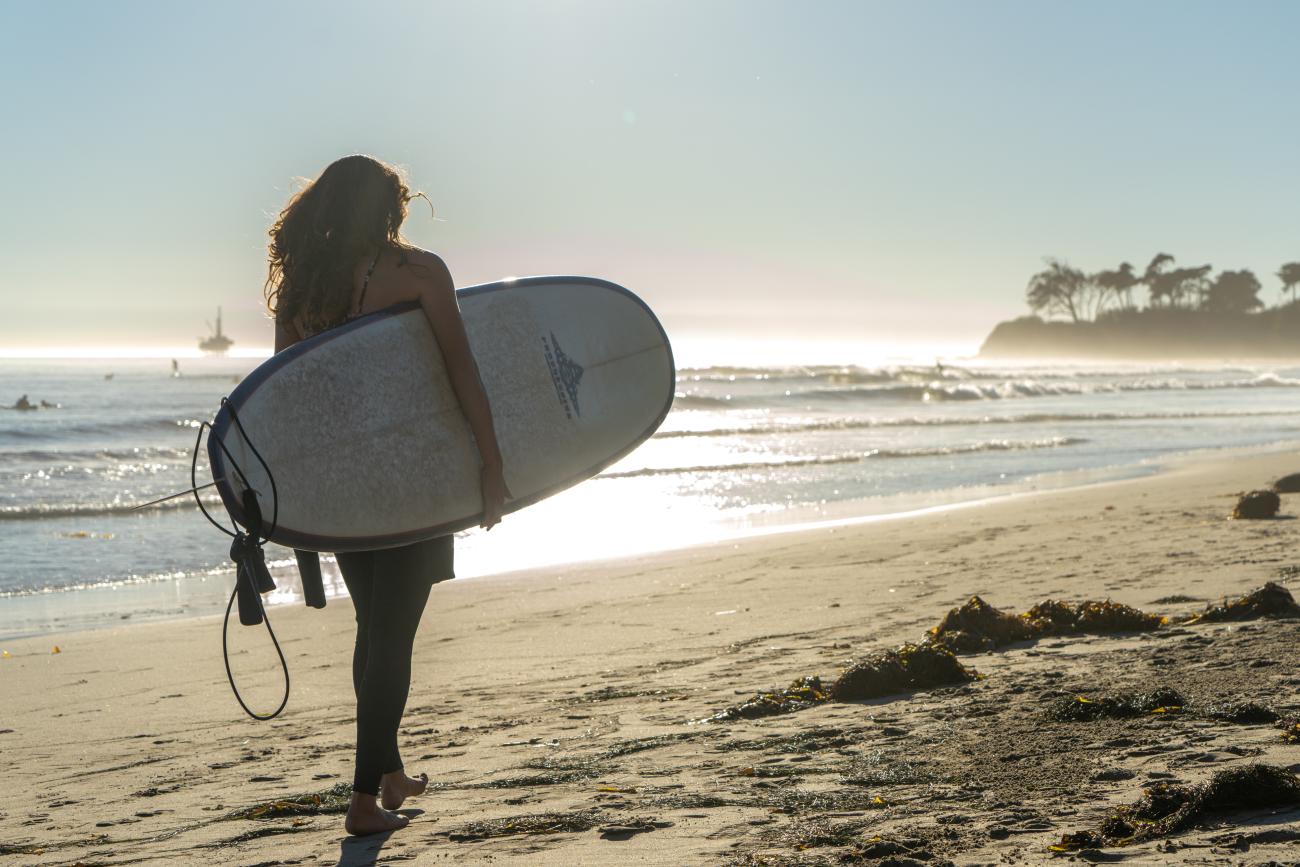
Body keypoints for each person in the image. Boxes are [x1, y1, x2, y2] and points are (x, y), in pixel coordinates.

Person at [264, 154, 510, 836]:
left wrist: (300, 491)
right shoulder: (419, 272)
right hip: (418, 479)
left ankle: (391, 770)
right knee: (393, 636)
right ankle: (365, 799)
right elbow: (463, 372)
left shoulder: (301, 291)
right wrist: (491, 466)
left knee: (374, 628)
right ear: (386, 208)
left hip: (344, 489)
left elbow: (285, 399)